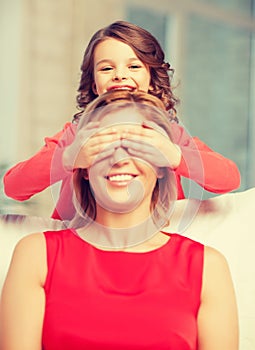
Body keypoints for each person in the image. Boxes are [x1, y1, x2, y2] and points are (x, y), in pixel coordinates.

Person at [0, 90, 239, 349]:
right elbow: (15, 184)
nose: (119, 159)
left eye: (136, 147)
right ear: (84, 168)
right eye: (103, 147)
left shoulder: (208, 267)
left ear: (162, 166)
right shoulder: (36, 255)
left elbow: (228, 176)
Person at [3, 20, 241, 221]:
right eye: (106, 68)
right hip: (80, 250)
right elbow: (14, 187)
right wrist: (69, 156)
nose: (120, 74)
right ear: (94, 84)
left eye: (134, 66)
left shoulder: (171, 136)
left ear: (151, 78)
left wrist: (175, 155)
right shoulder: (76, 136)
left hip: (151, 247)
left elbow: (229, 179)